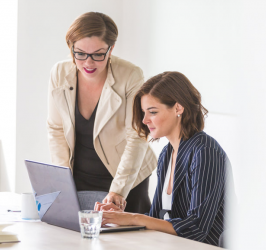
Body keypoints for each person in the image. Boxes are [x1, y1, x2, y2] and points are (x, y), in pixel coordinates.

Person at [95, 71, 232, 246]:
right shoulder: (167, 154)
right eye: (144, 112)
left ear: (178, 108)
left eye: (152, 112)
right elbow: (155, 218)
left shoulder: (205, 152)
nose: (144, 120)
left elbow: (195, 229)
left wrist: (133, 218)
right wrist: (120, 217)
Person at [47, 12, 157, 213]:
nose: (88, 63)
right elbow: (56, 129)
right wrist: (62, 181)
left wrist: (118, 191)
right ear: (71, 48)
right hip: (79, 178)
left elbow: (137, 135)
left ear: (111, 49)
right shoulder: (59, 73)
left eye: (98, 54)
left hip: (126, 178)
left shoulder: (131, 75)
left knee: (126, 241)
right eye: (79, 53)